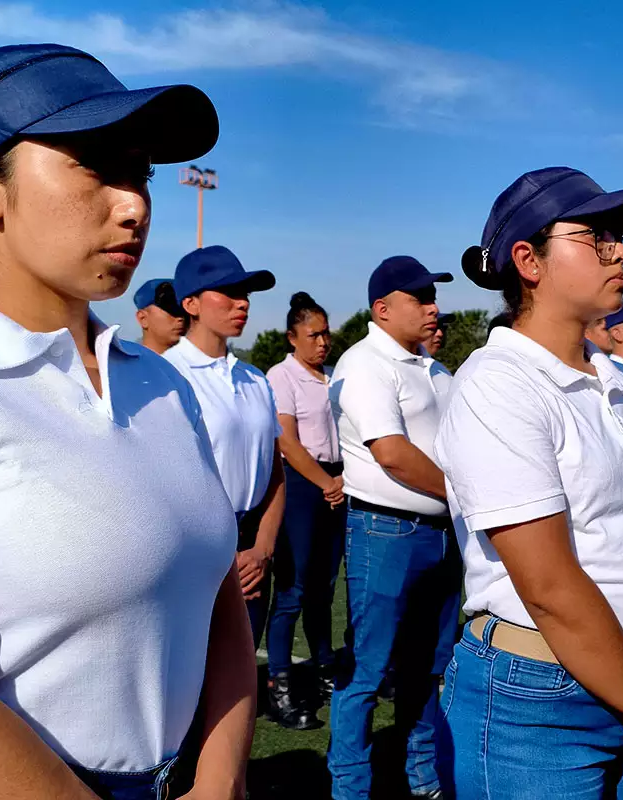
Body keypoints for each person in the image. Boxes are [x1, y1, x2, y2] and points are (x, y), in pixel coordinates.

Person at [0, 43, 255, 800]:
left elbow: (216, 592)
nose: (134, 204)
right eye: (95, 166)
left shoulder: (161, 384)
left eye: (139, 173)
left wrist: (220, 777)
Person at [437, 166, 623, 799]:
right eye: (596, 237)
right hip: (536, 703)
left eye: (620, 239)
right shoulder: (497, 384)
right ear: (528, 260)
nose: (620, 254)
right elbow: (550, 586)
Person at [327, 255, 461, 800]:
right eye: (420, 297)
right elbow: (393, 454)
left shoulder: (433, 368)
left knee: (428, 665)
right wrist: (466, 495)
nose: (433, 307)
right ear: (382, 309)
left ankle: (422, 774)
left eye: (434, 296)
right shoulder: (365, 363)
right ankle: (350, 787)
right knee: (367, 670)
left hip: (440, 534)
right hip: (385, 532)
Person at [165, 245, 288, 712]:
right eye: (229, 292)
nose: (243, 303)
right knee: (185, 690)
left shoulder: (255, 378)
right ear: (191, 304)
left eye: (246, 294)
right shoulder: (167, 374)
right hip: (194, 545)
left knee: (236, 686)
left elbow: (275, 472)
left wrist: (262, 549)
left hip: (252, 546)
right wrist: (220, 553)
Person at [264, 291, 345, 729]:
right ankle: (280, 682)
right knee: (292, 589)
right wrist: (325, 483)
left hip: (336, 482)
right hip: (301, 485)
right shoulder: (282, 376)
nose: (322, 342)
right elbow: (287, 441)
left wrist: (340, 480)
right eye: (313, 335)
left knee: (323, 587)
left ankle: (324, 667)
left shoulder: (333, 376)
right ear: (292, 337)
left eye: (326, 333)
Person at [133, 278, 186, 354]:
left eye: (185, 310)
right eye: (170, 309)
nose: (181, 318)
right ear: (143, 318)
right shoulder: (120, 360)